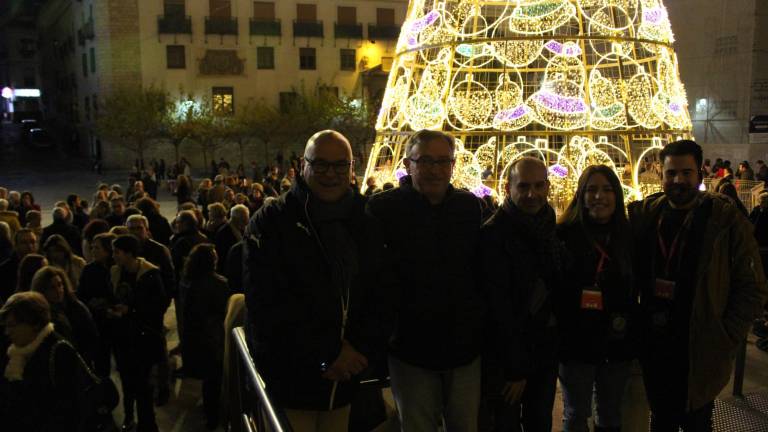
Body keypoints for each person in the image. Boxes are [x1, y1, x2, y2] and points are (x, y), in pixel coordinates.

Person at [244, 130, 392, 431]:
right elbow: (268, 302)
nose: (331, 174)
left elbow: (381, 291)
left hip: (347, 375)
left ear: (351, 168)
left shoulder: (365, 219)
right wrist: (329, 354)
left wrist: (357, 351)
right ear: (303, 165)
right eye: (321, 164)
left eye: (340, 165)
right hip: (293, 374)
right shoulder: (273, 220)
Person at [628, 140, 768, 431]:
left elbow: (752, 286)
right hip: (656, 342)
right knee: (661, 418)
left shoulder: (725, 220)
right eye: (671, 173)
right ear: (660, 174)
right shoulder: (646, 215)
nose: (678, 180)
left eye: (686, 172)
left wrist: (726, 334)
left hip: (701, 343)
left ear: (699, 176)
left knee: (697, 418)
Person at [367, 129, 484, 431]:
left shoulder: (468, 207)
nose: (434, 169)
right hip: (411, 348)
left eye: (442, 161)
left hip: (463, 347)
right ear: (408, 164)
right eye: (426, 161)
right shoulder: (383, 209)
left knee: (465, 424)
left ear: (453, 166)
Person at [480, 157, 564, 432]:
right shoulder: (494, 234)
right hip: (509, 356)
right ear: (508, 188)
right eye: (524, 186)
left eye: (539, 186)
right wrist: (515, 368)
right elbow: (498, 307)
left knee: (539, 421)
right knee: (505, 423)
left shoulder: (548, 223)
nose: (532, 194)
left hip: (545, 347)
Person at [556, 166, 635, 432]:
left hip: (616, 343)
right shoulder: (564, 235)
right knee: (576, 414)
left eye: (606, 189)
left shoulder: (628, 236)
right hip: (575, 344)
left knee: (610, 415)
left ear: (617, 195)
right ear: (581, 195)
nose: (599, 196)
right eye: (591, 190)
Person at [0, 292, 82, 430]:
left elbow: (69, 409)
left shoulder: (59, 351)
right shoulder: (16, 352)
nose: (7, 332)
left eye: (12, 325)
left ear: (35, 324)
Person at [110, 235, 167, 432]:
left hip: (143, 339)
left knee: (143, 386)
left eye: (117, 252)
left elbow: (157, 307)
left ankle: (147, 424)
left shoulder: (150, 275)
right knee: (127, 381)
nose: (113, 256)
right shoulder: (116, 271)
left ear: (128, 253)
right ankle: (128, 416)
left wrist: (131, 311)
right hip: (123, 338)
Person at [181, 243, 230, 429]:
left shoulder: (189, 281)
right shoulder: (219, 283)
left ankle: (209, 412)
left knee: (207, 379)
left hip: (197, 337)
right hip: (213, 338)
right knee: (214, 379)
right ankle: (213, 416)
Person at [30, 266, 99, 366]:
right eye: (52, 287)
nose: (58, 290)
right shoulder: (38, 313)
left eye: (60, 285)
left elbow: (92, 337)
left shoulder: (76, 307)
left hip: (80, 364)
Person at [77, 233, 116, 377]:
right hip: (99, 323)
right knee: (102, 364)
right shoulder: (89, 269)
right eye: (92, 247)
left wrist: (107, 301)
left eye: (97, 248)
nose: (93, 251)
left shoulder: (117, 268)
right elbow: (81, 294)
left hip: (117, 322)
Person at [0, 229, 38, 302]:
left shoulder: (41, 265)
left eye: (32, 242)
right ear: (16, 245)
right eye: (24, 243)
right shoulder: (4, 270)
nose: (30, 246)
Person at [214, 204, 249, 272]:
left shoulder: (242, 228)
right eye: (244, 219)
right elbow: (222, 256)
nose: (247, 222)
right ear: (235, 218)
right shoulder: (223, 233)